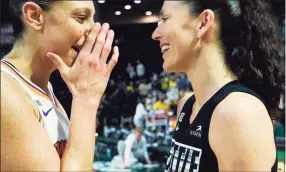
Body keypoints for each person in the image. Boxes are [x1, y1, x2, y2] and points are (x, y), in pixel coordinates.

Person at [152, 0, 284, 172]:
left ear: (204, 22)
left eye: (165, 19)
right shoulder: (186, 105)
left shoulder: (238, 112)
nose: (155, 33)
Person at [1, 0, 118, 171]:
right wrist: (86, 99)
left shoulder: (43, 86)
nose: (94, 29)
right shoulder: (4, 93)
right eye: (81, 17)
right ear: (35, 16)